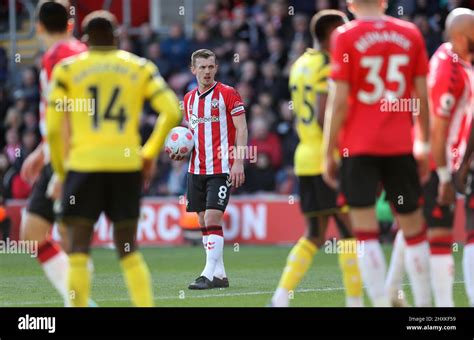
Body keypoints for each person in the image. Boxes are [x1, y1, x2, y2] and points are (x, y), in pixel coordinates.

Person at [46, 10, 182, 307]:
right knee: (128, 249)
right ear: (117, 36)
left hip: (83, 167)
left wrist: (61, 169)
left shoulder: (67, 71)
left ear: (84, 40)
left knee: (79, 250)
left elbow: (54, 128)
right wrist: (147, 153)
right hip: (125, 166)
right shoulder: (140, 67)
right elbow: (172, 110)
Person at [323, 0, 432, 307]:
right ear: (384, 2)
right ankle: (424, 310)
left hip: (358, 147)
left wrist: (328, 150)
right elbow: (421, 95)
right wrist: (423, 141)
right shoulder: (410, 33)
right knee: (414, 231)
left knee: (365, 233)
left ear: (350, 3)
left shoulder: (344, 35)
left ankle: (381, 303)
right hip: (400, 145)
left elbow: (339, 101)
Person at [270, 10, 363, 308]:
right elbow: (325, 115)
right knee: (350, 231)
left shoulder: (300, 65)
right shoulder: (327, 64)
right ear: (332, 33)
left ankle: (280, 298)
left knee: (314, 234)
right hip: (329, 159)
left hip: (305, 156)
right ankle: (355, 301)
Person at [387, 8, 474, 308]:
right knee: (436, 234)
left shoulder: (463, 61)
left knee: (418, 226)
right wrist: (446, 177)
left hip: (446, 159)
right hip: (434, 162)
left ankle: (391, 291)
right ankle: (437, 310)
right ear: (461, 37)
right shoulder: (447, 71)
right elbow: (438, 130)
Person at [19, 0, 88, 307]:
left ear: (39, 27)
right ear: (71, 24)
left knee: (69, 235)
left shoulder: (57, 57)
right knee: (33, 232)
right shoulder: (81, 53)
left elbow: (69, 115)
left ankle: (78, 302)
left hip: (70, 156)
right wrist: (41, 150)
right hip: (59, 152)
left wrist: (61, 169)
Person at [182, 49, 247, 289]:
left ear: (216, 68)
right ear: (193, 70)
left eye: (211, 67)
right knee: (202, 220)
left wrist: (238, 162)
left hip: (221, 167)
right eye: (202, 67)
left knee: (212, 217)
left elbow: (242, 128)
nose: (207, 72)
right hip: (196, 169)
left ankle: (207, 274)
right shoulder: (188, 100)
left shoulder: (228, 94)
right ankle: (220, 273)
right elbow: (190, 135)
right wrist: (180, 150)